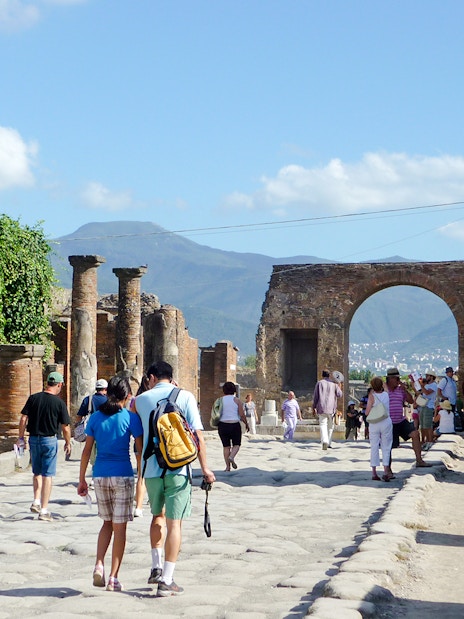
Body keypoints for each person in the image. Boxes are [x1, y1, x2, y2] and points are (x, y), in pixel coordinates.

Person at [133, 361, 216, 597]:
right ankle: (167, 580)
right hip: (178, 468)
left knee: (157, 516)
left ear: (151, 377)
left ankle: (156, 567)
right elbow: (197, 436)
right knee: (175, 523)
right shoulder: (185, 396)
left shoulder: (139, 401)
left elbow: (137, 432)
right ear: (171, 377)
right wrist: (205, 469)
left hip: (150, 469)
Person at [77, 376, 143, 592]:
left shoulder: (95, 418)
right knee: (120, 528)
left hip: (100, 475)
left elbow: (87, 450)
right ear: (126, 396)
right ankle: (113, 577)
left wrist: (81, 479)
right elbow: (140, 451)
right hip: (122, 475)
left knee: (106, 523)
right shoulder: (130, 418)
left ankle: (98, 564)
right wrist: (141, 475)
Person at [17, 371, 72, 521]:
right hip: (49, 440)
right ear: (59, 385)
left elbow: (23, 419)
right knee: (48, 474)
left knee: (37, 472)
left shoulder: (33, 398)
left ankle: (36, 501)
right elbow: (65, 427)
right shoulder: (59, 403)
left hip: (34, 439)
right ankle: (44, 510)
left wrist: (21, 437)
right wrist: (68, 442)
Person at [385, 367, 431, 473]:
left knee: (415, 434)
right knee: (388, 446)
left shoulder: (400, 390)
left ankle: (419, 460)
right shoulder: (385, 389)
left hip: (400, 420)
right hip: (389, 422)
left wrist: (405, 390)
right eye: (396, 379)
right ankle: (388, 469)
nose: (398, 381)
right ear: (390, 379)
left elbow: (410, 401)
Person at [365, 376, 393, 481]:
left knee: (374, 446)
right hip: (386, 421)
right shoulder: (386, 394)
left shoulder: (372, 396)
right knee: (386, 446)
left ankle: (374, 472)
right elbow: (385, 389)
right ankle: (386, 470)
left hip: (375, 423)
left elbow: (367, 412)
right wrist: (383, 384)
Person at [217, 381, 249, 470]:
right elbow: (242, 415)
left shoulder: (220, 400)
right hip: (234, 425)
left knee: (226, 446)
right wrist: (246, 424)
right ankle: (232, 457)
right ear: (234, 390)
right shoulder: (237, 400)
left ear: (224, 390)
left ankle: (227, 467)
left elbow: (216, 413)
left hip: (222, 425)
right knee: (237, 444)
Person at [131, 375, 150, 517]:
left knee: (141, 475)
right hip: (153, 441)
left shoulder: (135, 402)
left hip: (139, 440)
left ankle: (139, 506)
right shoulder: (153, 400)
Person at [313, 369, 343, 450]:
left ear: (322, 375)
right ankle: (329, 442)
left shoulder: (319, 383)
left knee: (323, 424)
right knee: (330, 426)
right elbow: (340, 395)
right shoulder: (334, 384)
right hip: (331, 408)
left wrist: (314, 407)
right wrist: (339, 387)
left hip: (321, 407)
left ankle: (324, 441)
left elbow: (316, 396)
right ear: (329, 375)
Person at [416, 369, 438, 447]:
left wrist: (422, 386)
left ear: (431, 377)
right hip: (423, 406)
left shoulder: (434, 385)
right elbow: (419, 392)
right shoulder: (426, 385)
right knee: (423, 425)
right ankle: (424, 440)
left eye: (427, 375)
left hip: (429, 406)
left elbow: (427, 392)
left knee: (428, 425)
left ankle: (429, 441)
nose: (426, 377)